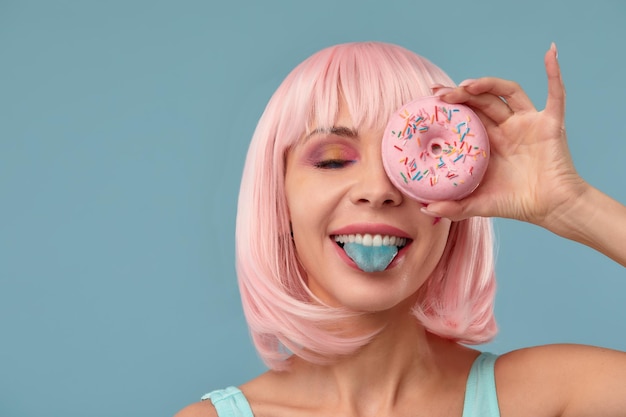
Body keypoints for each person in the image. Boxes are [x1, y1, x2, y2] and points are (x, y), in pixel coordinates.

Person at [176, 42, 626, 417]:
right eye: (333, 160)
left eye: (416, 159)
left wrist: (573, 205)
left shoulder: (546, 397)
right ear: (279, 202)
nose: (377, 190)